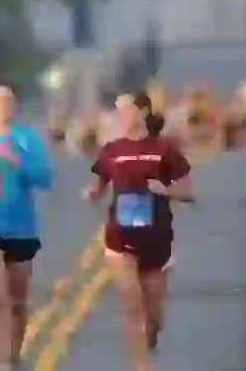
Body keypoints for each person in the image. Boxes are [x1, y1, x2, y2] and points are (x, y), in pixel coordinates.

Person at [84, 93, 195, 371]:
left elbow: (188, 191)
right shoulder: (111, 150)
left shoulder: (164, 149)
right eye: (117, 110)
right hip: (120, 236)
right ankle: (141, 366)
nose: (120, 115)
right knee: (130, 298)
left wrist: (165, 190)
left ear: (143, 112)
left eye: (126, 109)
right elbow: (97, 185)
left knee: (153, 315)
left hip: (156, 238)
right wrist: (90, 194)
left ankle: (148, 344)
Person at [0, 82, 54, 371]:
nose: (3, 105)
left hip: (21, 228)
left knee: (18, 300)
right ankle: (0, 362)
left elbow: (45, 178)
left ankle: (13, 355)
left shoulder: (27, 138)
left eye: (9, 100)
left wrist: (16, 161)